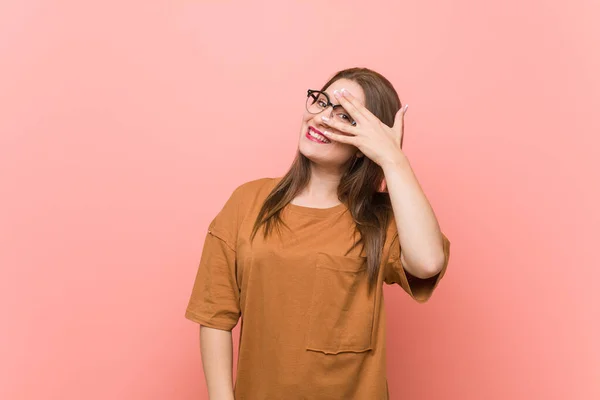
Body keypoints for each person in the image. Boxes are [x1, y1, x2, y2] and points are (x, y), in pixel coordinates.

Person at [185, 67, 451, 399]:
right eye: (322, 102)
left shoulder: (381, 219)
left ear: (367, 142)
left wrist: (392, 159)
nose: (323, 118)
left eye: (346, 118)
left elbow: (427, 262)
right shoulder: (248, 202)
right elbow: (214, 315)